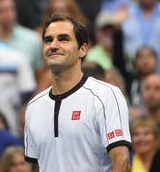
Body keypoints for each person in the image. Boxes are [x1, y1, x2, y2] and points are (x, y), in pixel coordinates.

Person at [24, 14, 131, 172]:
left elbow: (121, 160)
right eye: (48, 40)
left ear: (82, 49)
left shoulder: (107, 95)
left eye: (63, 39)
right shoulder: (33, 107)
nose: (53, 45)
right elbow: (35, 166)